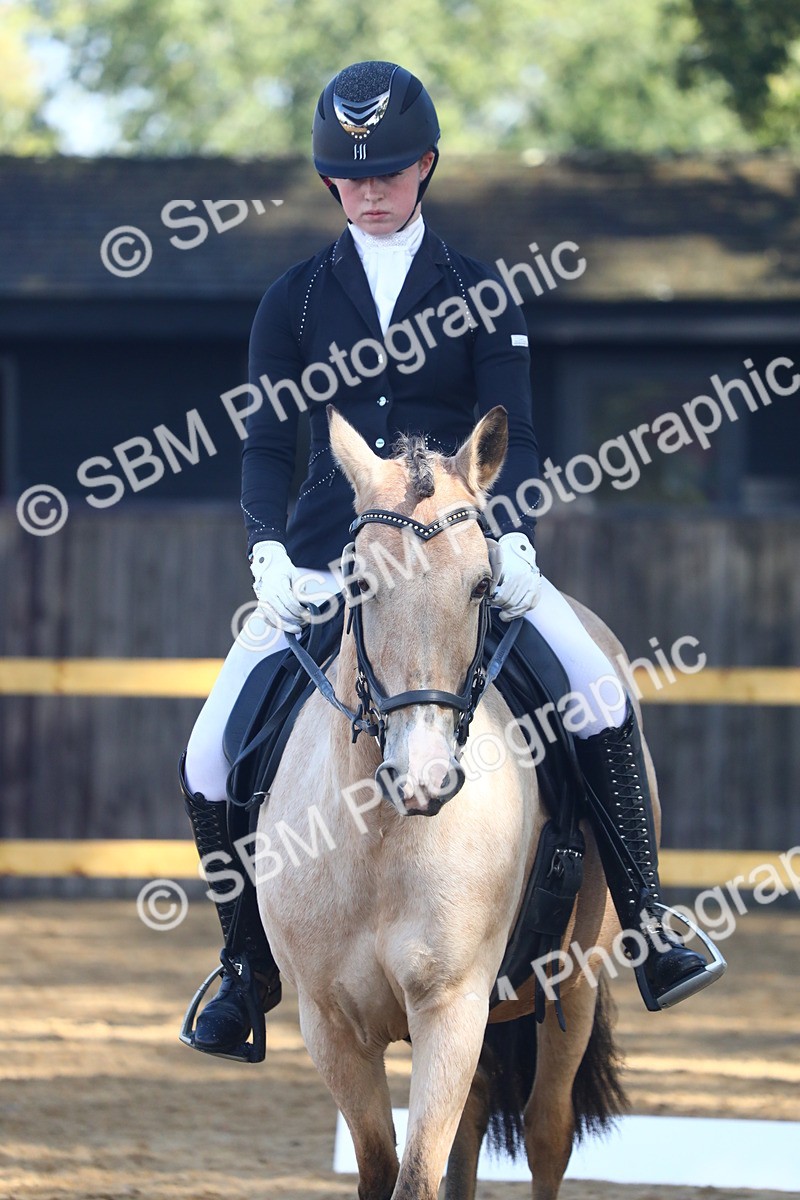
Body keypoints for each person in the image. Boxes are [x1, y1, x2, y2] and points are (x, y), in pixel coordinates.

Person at [180, 60, 721, 1061]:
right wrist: (265, 553)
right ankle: (244, 966)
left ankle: (645, 922)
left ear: (423, 165)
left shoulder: (480, 289)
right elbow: (263, 447)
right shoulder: (291, 304)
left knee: (595, 691)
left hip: (466, 551)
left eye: (387, 169)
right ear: (328, 181)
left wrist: (510, 536)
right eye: (349, 175)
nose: (369, 188)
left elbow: (513, 428)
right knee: (210, 748)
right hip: (326, 562)